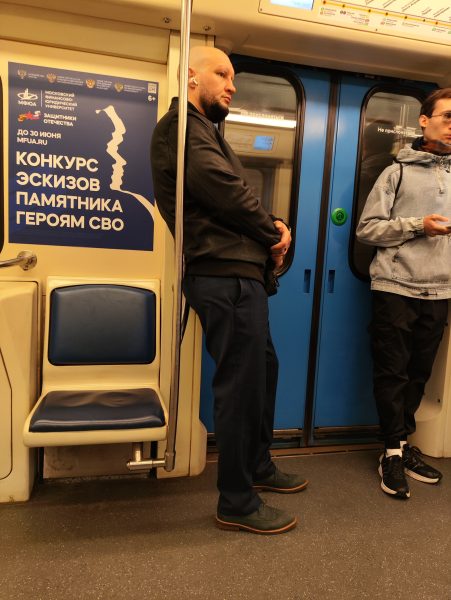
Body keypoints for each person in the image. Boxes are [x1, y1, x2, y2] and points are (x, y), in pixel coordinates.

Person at [151, 46, 307, 534]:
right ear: (191, 77)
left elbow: (236, 195)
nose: (232, 85)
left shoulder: (205, 132)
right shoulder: (181, 128)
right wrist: (272, 231)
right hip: (222, 274)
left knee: (262, 370)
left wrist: (271, 223)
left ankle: (257, 464)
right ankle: (236, 500)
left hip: (239, 273)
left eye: (233, 76)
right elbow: (220, 188)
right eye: (222, 74)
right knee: (240, 386)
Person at [356, 88, 451, 499]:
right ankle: (391, 451)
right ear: (424, 121)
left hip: (440, 289)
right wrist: (417, 225)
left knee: (418, 373)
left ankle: (402, 442)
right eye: (447, 116)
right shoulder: (396, 171)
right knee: (392, 371)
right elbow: (367, 229)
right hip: (395, 285)